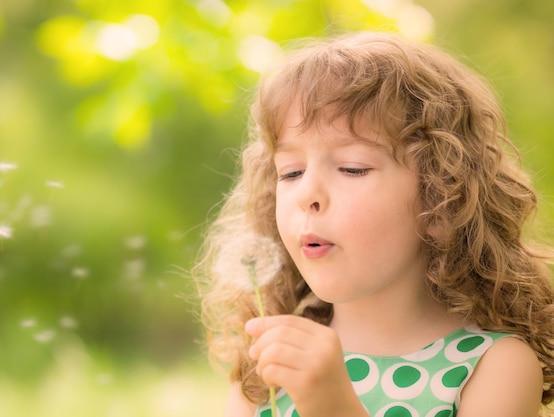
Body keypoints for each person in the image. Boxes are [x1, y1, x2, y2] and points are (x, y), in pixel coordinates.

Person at [193, 31, 554, 417]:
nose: (307, 194)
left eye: (353, 168)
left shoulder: (495, 365)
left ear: (441, 200)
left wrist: (333, 406)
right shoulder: (270, 360)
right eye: (291, 172)